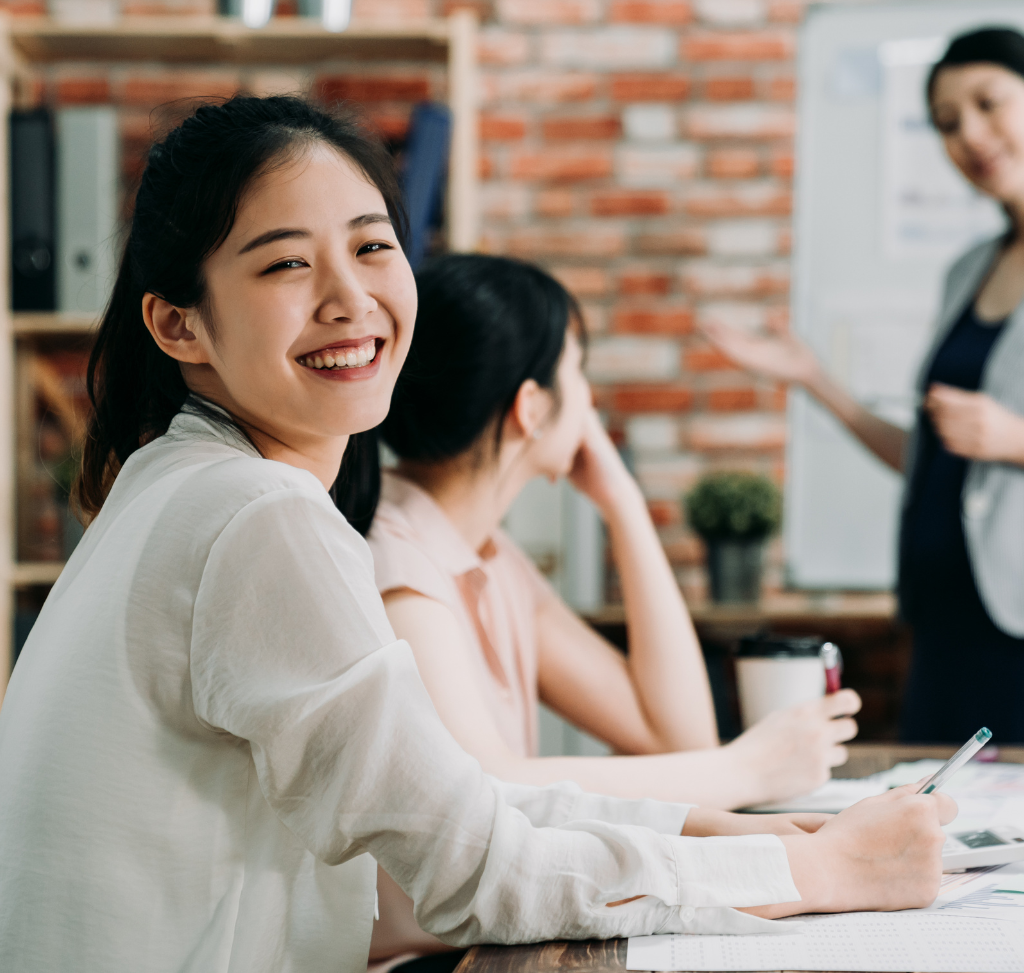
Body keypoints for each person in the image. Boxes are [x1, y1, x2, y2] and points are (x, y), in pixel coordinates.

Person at [0, 96, 957, 972]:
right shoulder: (254, 517)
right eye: (288, 264)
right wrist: (814, 870)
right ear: (179, 326)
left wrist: (759, 839)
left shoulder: (180, 482)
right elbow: (479, 874)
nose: (352, 298)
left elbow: (456, 797)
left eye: (373, 245)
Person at [706, 27, 1024, 745]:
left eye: (988, 103)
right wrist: (816, 381)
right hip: (947, 636)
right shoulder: (969, 267)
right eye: (947, 123)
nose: (970, 134)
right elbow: (941, 455)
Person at [363, 254, 861, 969]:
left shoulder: (483, 551)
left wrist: (624, 507)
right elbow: (486, 785)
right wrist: (744, 771)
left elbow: (671, 734)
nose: (590, 402)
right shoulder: (396, 558)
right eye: (579, 372)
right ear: (532, 408)